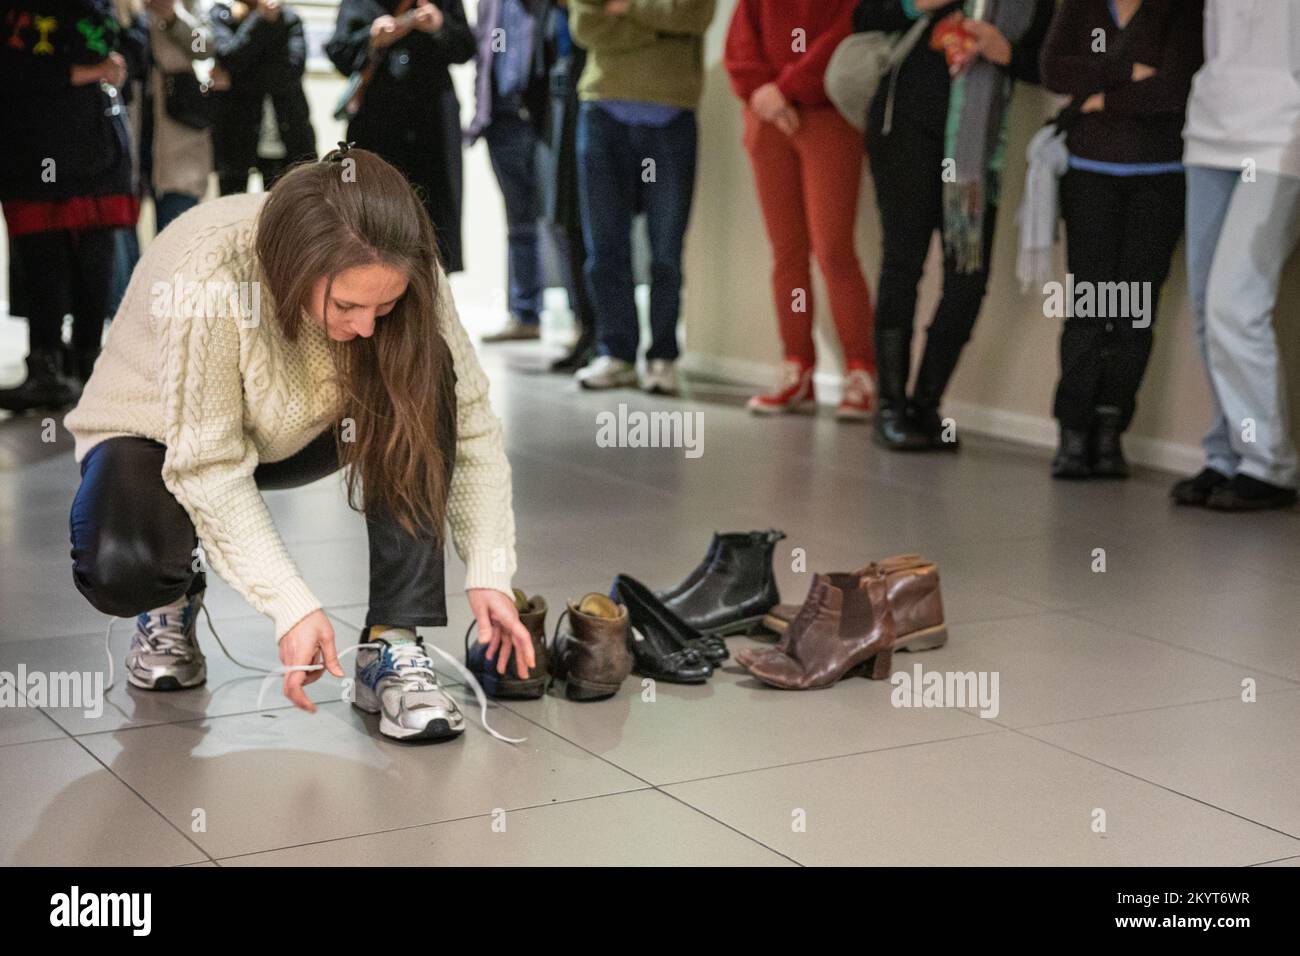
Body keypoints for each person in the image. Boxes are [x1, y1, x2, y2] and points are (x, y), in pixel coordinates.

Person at [64, 148, 532, 741]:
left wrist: (490, 568)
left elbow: (469, 425)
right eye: (346, 305)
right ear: (295, 268)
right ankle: (172, 593)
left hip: (305, 429)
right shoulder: (209, 274)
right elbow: (208, 463)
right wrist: (292, 604)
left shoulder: (402, 261)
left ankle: (392, 642)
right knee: (123, 566)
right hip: (156, 435)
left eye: (384, 306)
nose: (366, 326)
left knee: (427, 372)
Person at [853, 0, 1053, 451]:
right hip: (903, 130)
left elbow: (1049, 65)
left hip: (973, 153)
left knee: (968, 277)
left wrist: (1006, 52)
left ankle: (925, 406)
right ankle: (889, 409)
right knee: (902, 266)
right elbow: (863, 15)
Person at [1039, 0, 1202, 479]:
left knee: (1133, 310)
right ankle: (1072, 433)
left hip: (1160, 178)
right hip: (1089, 175)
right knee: (1088, 307)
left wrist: (1099, 97)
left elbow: (1174, 90)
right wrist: (1129, 70)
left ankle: (1109, 432)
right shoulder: (1079, 6)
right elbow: (1052, 69)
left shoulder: (1182, 11)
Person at [1170, 0, 1300, 512]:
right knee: (1208, 308)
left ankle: (1269, 464)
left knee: (1234, 303)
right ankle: (1229, 452)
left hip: (1281, 139)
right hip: (1209, 130)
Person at [725, 0, 877, 420]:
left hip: (827, 116)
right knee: (788, 254)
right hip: (767, 119)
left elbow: (847, 33)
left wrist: (787, 89)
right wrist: (764, 96)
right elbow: (740, 42)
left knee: (833, 251)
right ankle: (797, 367)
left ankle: (861, 371)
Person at [568, 0, 717, 395]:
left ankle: (662, 355)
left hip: (671, 116)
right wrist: (658, 22)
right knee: (604, 247)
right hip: (601, 111)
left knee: (665, 251)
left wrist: (624, 8)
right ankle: (616, 352)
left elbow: (694, 16)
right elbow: (586, 26)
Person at [0, 0, 139, 412]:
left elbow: (130, 61)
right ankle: (46, 365)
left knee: (94, 262)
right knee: (43, 264)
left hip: (95, 154)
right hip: (34, 154)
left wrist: (118, 59)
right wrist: (89, 72)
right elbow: (13, 70)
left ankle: (87, 360)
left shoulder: (102, 9)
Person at [327, 0, 475, 273]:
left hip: (432, 122)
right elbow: (338, 52)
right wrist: (371, 38)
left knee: (434, 213)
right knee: (373, 214)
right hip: (377, 122)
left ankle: (433, 297)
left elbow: (466, 47)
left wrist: (439, 26)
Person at [467, 0, 550, 343]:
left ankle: (582, 322)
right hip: (499, 120)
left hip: (540, 117)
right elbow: (484, 52)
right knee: (518, 221)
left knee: (561, 222)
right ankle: (524, 314)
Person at [540, 0, 597, 372]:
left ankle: (606, 337)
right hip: (560, 103)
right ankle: (586, 329)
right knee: (565, 221)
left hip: (594, 100)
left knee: (594, 225)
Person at [208, 0, 317, 196]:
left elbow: (291, 71)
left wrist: (234, 82)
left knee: (285, 214)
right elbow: (228, 56)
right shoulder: (223, 14)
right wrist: (259, 20)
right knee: (231, 213)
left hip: (286, 133)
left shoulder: (289, 18)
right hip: (236, 136)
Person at [146, 0, 214, 232]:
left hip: (179, 138)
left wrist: (174, 17)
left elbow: (203, 48)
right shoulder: (127, 6)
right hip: (136, 126)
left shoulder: (193, 6)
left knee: (175, 234)